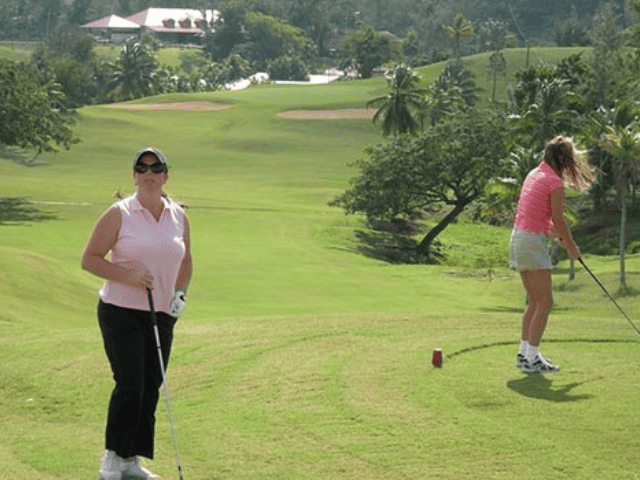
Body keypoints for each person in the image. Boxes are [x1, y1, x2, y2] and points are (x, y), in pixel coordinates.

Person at [82, 147, 193, 479]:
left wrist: (180, 295)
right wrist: (127, 276)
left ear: (165, 175)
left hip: (161, 314)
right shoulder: (119, 213)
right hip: (120, 312)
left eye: (155, 168)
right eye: (142, 168)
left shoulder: (179, 216)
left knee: (151, 385)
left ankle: (131, 461)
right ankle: (112, 457)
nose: (149, 173)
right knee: (130, 384)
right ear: (134, 175)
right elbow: (90, 259)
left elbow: (185, 262)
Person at [509, 136, 593, 374]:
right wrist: (572, 246)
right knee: (545, 303)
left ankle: (525, 355)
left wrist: (556, 233)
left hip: (519, 239)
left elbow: (539, 215)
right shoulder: (554, 182)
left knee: (535, 302)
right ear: (563, 160)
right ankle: (532, 358)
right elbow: (558, 219)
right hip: (531, 242)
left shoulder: (535, 174)